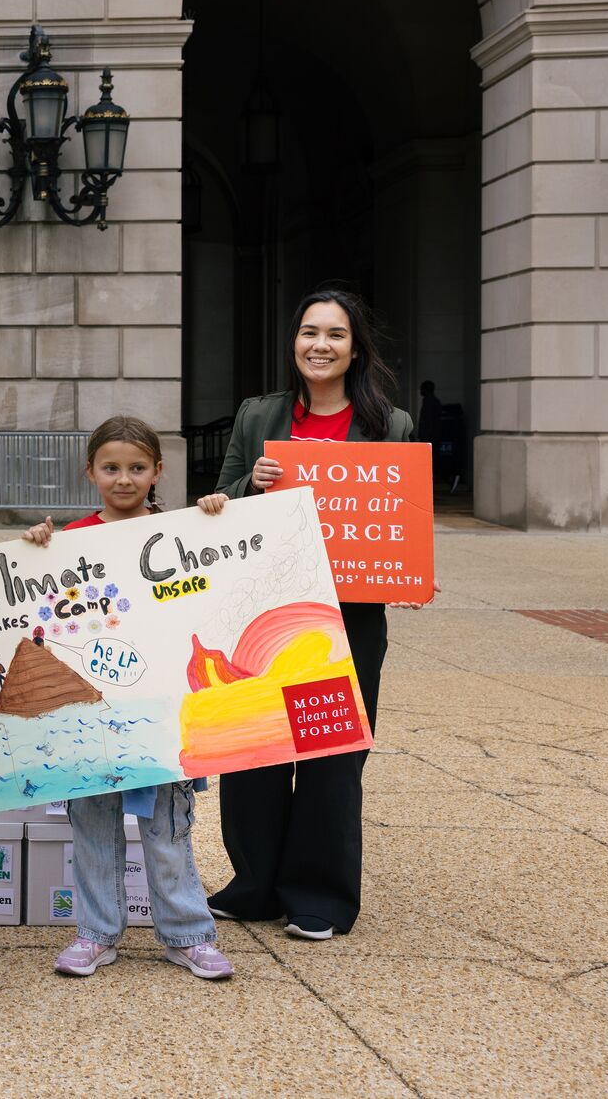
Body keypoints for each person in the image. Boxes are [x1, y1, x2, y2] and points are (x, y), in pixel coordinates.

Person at [205, 287, 415, 940]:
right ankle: (255, 886)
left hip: (346, 616)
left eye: (335, 334)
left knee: (329, 753)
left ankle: (319, 896)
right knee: (255, 751)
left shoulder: (391, 426)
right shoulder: (257, 417)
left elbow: (399, 521)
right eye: (308, 332)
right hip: (263, 606)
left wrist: (407, 569)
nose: (319, 345)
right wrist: (246, 489)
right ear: (293, 342)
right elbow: (217, 504)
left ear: (356, 349)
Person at [20, 416, 236, 981]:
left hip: (162, 713)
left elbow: (215, 589)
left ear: (158, 471)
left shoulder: (184, 532)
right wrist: (37, 547)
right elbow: (38, 608)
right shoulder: (68, 539)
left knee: (168, 827)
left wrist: (216, 517)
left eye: (137, 468)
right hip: (92, 716)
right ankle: (96, 934)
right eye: (111, 468)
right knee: (92, 827)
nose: (124, 479)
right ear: (90, 471)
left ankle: (188, 935)